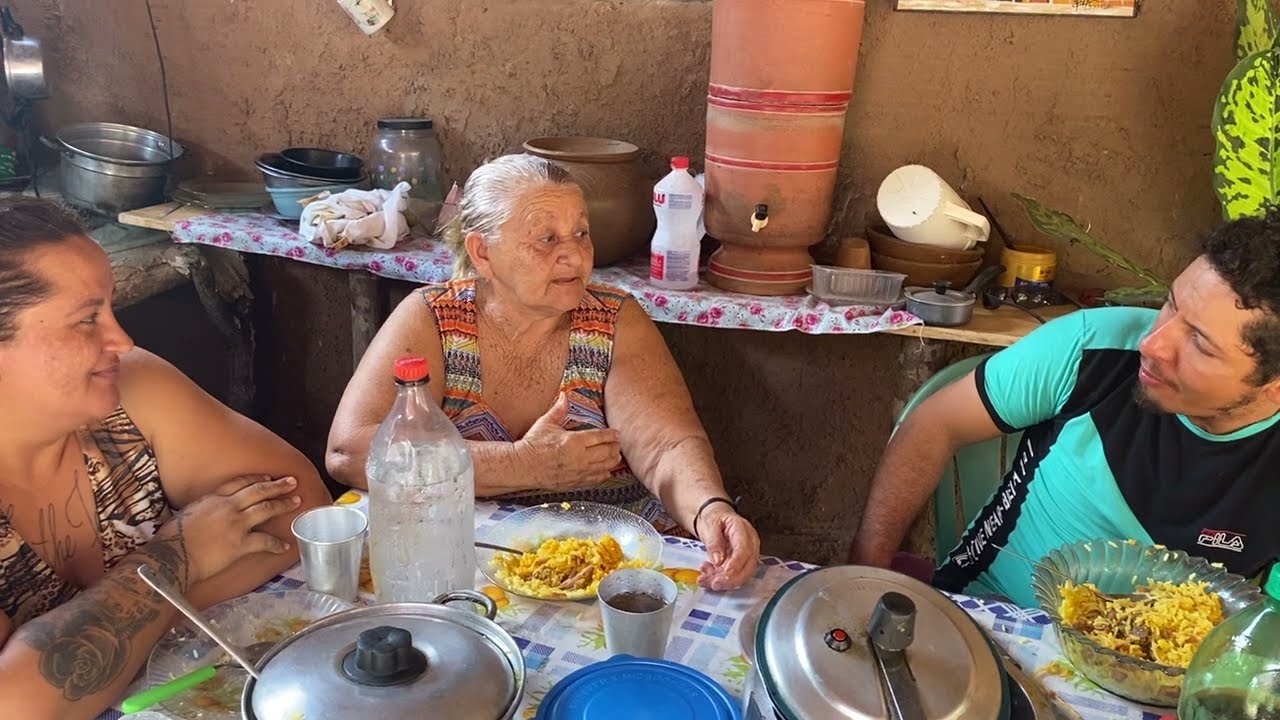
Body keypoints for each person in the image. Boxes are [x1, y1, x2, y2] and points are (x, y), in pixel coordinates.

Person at [327, 153, 760, 591]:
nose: (573, 253)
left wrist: (710, 509)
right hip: (467, 565)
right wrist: (522, 465)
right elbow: (351, 451)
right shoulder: (433, 320)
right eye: (546, 239)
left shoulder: (614, 319)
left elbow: (666, 446)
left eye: (581, 233)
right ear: (483, 252)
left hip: (610, 571)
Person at [0, 198, 331, 720]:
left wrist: (116, 629)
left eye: (110, 307)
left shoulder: (131, 392)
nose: (122, 339)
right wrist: (176, 554)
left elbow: (302, 506)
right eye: (87, 319)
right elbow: (17, 705)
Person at [850, 211, 1280, 608]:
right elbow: (934, 424)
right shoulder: (1092, 350)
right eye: (1171, 304)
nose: (1152, 344)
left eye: (1200, 344)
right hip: (993, 616)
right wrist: (863, 576)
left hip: (1165, 679)